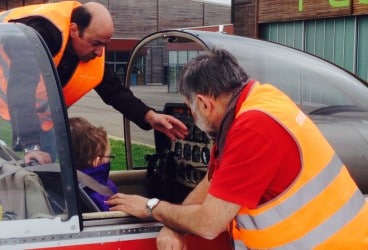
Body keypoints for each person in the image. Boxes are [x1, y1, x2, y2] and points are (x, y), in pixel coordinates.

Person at [106, 49, 368, 249]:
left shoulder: (253, 128)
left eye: (191, 110)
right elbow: (214, 182)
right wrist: (177, 226)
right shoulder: (257, 101)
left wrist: (151, 207)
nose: (194, 117)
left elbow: (209, 224)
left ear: (203, 103)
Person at [0, 1, 188, 164]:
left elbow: (113, 90)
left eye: (105, 44)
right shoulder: (40, 32)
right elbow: (21, 88)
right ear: (73, 30)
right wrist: (31, 146)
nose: (101, 52)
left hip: (2, 78)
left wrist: (148, 115)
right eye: (96, 43)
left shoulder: (88, 49)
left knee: (55, 163)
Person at [69, 116, 117, 211]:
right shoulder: (98, 195)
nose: (109, 161)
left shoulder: (69, 182)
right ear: (96, 160)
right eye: (109, 156)